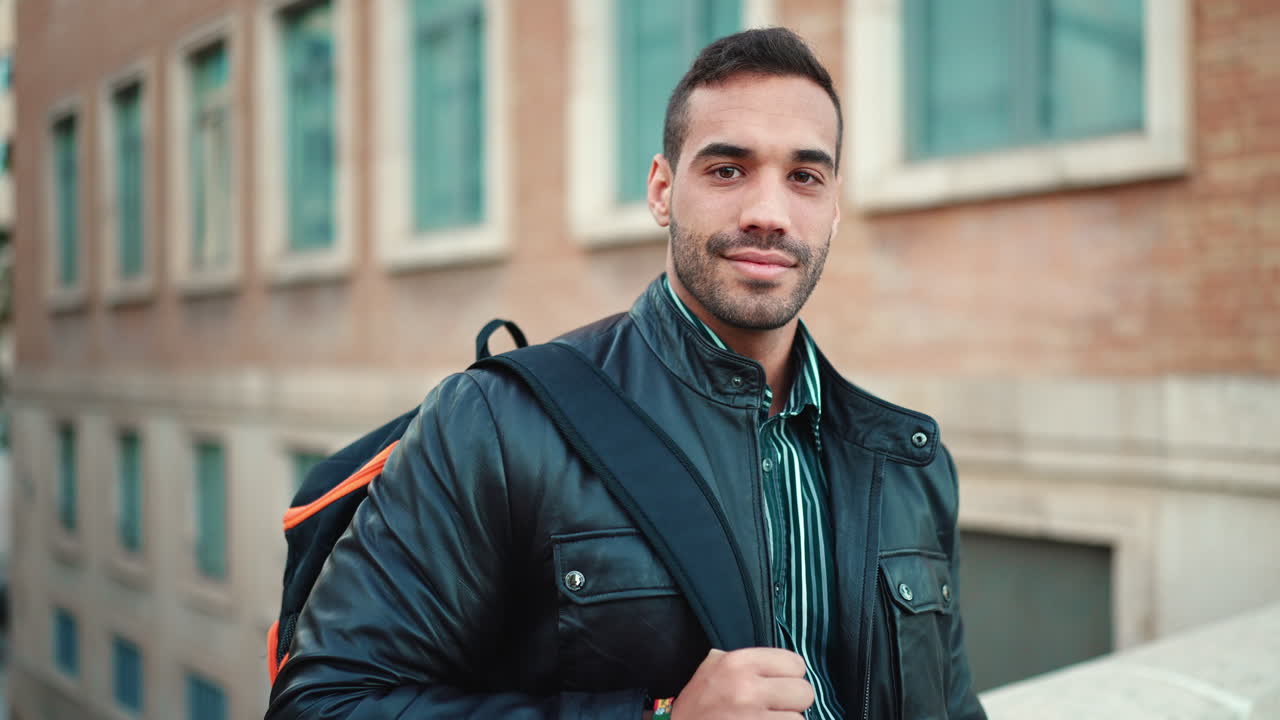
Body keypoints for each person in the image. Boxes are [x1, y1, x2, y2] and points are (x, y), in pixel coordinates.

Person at [267, 27, 986, 720]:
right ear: (662, 190)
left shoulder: (908, 462)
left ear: (832, 211)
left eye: (804, 176)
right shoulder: (497, 422)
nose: (769, 212)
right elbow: (324, 703)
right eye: (727, 169)